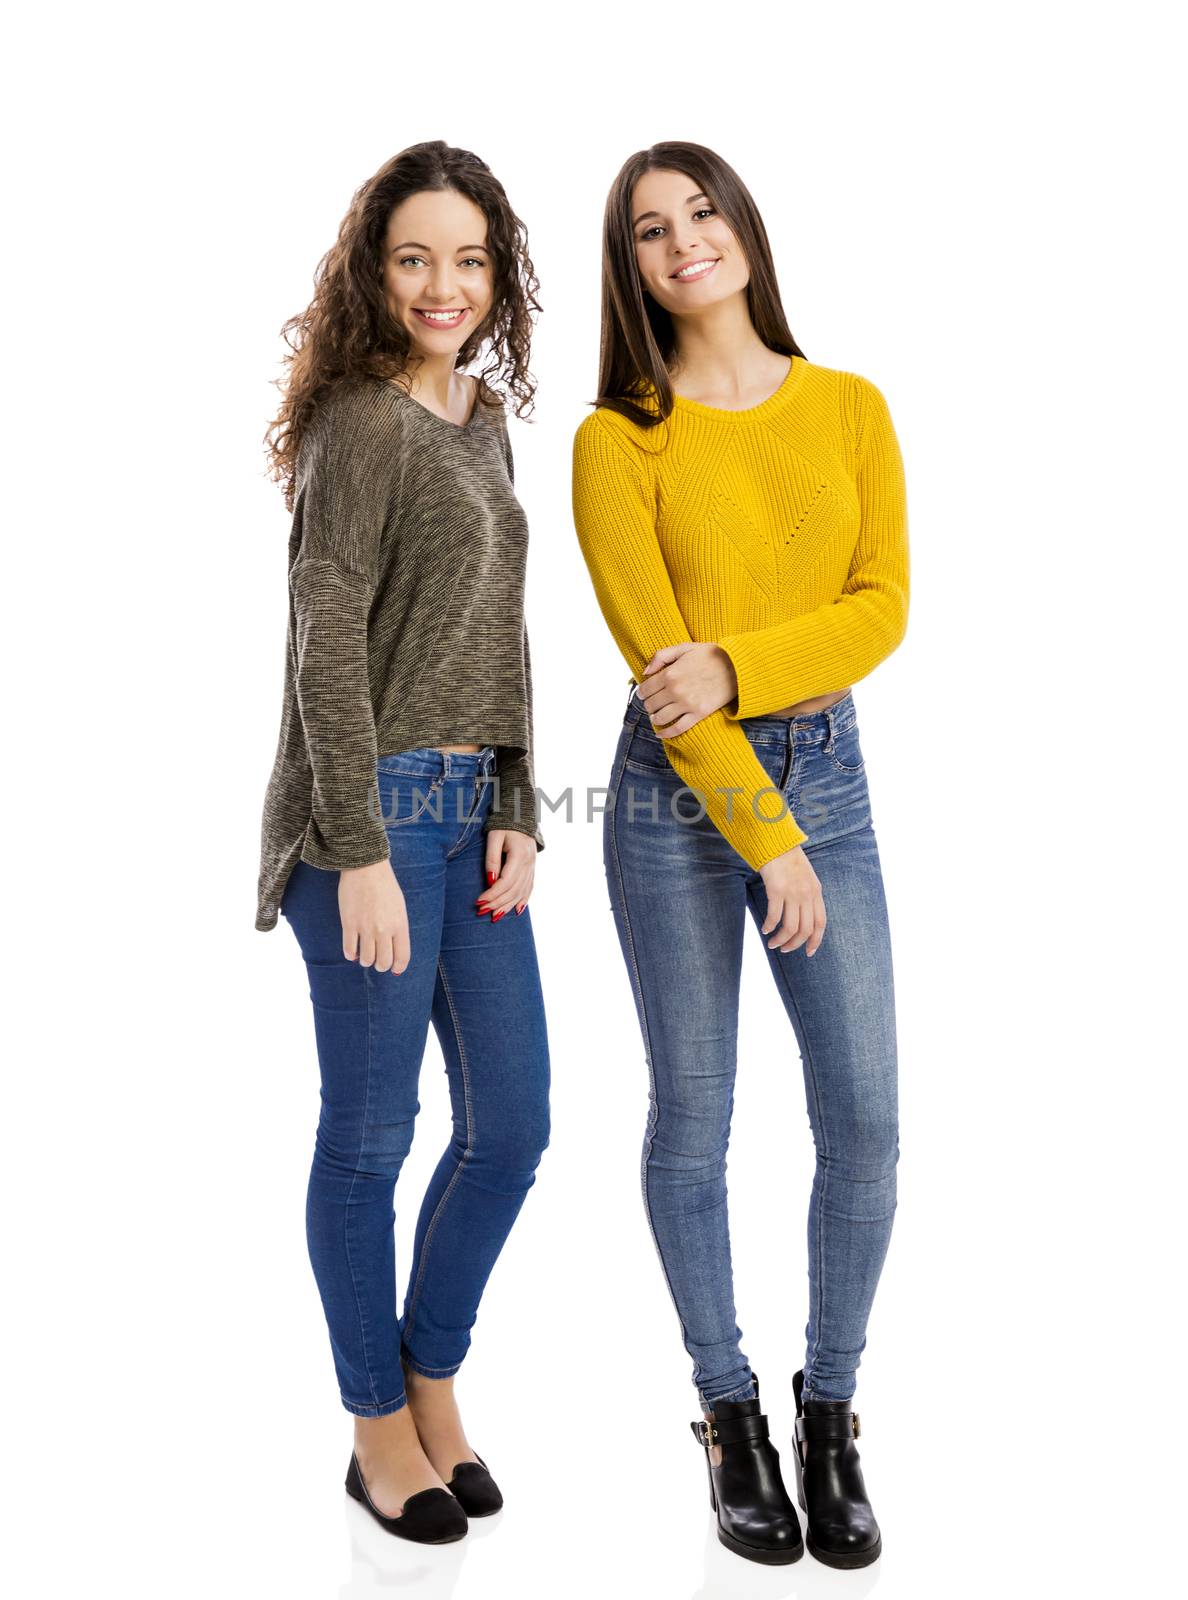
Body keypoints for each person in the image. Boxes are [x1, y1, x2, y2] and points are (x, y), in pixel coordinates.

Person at [571, 141, 909, 1570]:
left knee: (866, 1123)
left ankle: (829, 1411)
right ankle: (729, 1413)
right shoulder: (616, 441)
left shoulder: (849, 408)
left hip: (827, 770)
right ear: (631, 268)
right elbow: (663, 682)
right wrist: (766, 842)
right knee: (696, 1115)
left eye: (701, 212)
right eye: (651, 230)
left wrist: (738, 664)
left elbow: (883, 608)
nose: (683, 242)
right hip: (671, 807)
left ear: (745, 229)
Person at [255, 140, 550, 1544]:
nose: (445, 284)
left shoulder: (480, 421)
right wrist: (358, 846)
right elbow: (323, 647)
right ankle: (378, 1425)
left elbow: (499, 639)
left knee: (515, 1126)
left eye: (470, 260)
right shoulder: (360, 428)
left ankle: (433, 1383)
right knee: (373, 1137)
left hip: (467, 817)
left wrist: (513, 808)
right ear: (377, 272)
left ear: (501, 278)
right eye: (415, 257)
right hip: (364, 819)